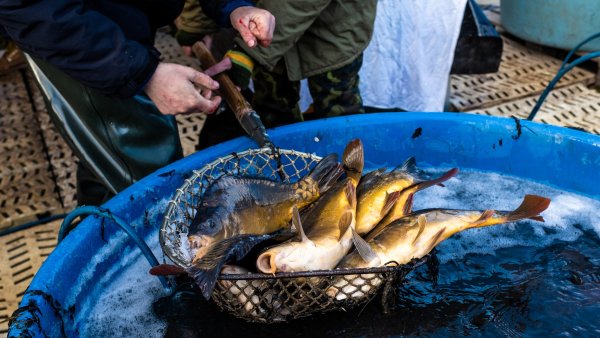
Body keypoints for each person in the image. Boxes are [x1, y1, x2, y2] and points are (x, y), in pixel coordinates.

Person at [0, 1, 275, 204]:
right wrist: (143, 73)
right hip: (74, 38)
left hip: (128, 23)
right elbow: (25, 7)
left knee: (104, 156)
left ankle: (95, 242)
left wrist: (234, 6)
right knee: (152, 174)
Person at [176, 0, 377, 149]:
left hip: (334, 29)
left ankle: (353, 182)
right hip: (261, 24)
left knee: (340, 115)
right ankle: (284, 175)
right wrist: (196, 26)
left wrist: (248, 51)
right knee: (272, 113)